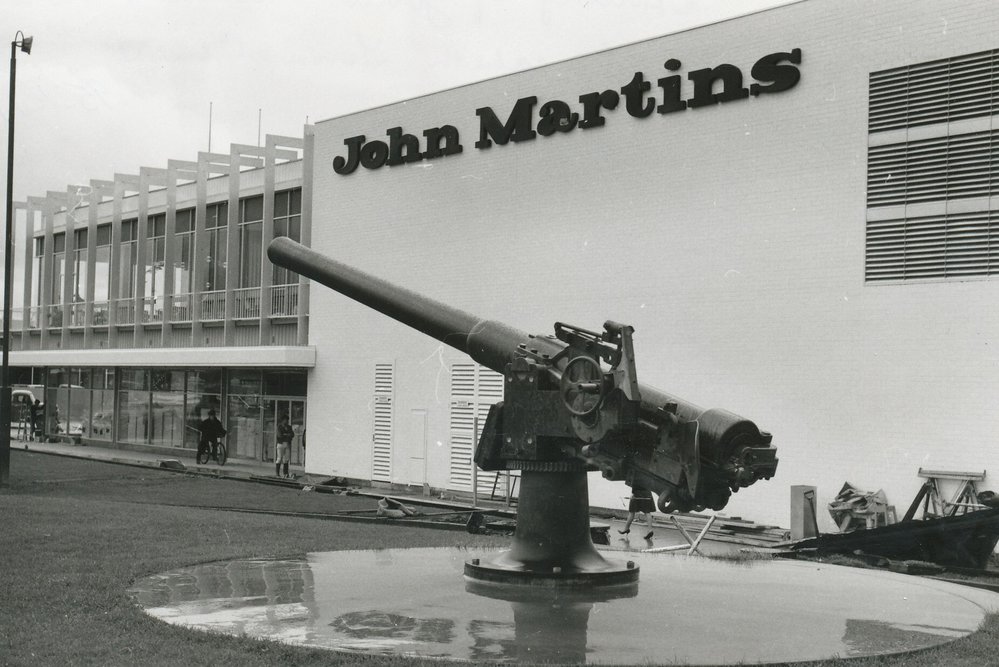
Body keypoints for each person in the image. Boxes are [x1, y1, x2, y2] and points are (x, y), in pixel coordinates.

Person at [275, 413, 294, 478]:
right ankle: (277, 473)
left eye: (287, 420)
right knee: (279, 458)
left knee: (286, 459)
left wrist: (286, 435)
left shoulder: (289, 427)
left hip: (287, 444)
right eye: (285, 420)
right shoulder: (279, 426)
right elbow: (279, 435)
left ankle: (285, 473)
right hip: (280, 444)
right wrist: (287, 435)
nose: (287, 421)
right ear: (283, 420)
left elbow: (292, 434)